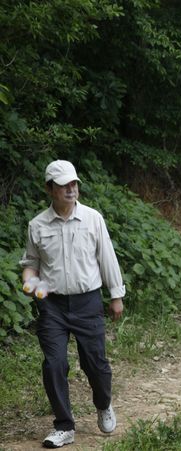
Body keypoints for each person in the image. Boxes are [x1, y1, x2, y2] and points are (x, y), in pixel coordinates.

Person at [19, 160, 125, 448]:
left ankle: (103, 404)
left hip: (87, 302)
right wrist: (30, 282)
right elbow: (30, 264)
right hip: (52, 306)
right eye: (64, 184)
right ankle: (64, 425)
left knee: (96, 364)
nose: (71, 188)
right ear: (49, 189)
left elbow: (107, 258)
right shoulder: (37, 225)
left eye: (74, 183)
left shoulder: (93, 219)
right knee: (54, 364)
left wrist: (116, 295)